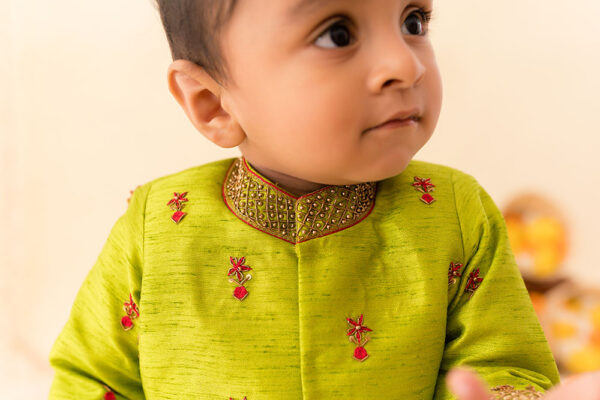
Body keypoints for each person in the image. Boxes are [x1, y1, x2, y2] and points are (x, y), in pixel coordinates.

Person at [47, 0, 600, 399]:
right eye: (337, 34)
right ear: (213, 103)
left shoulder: (454, 211)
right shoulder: (159, 223)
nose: (405, 65)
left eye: (413, 21)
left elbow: (506, 366)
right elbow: (91, 378)